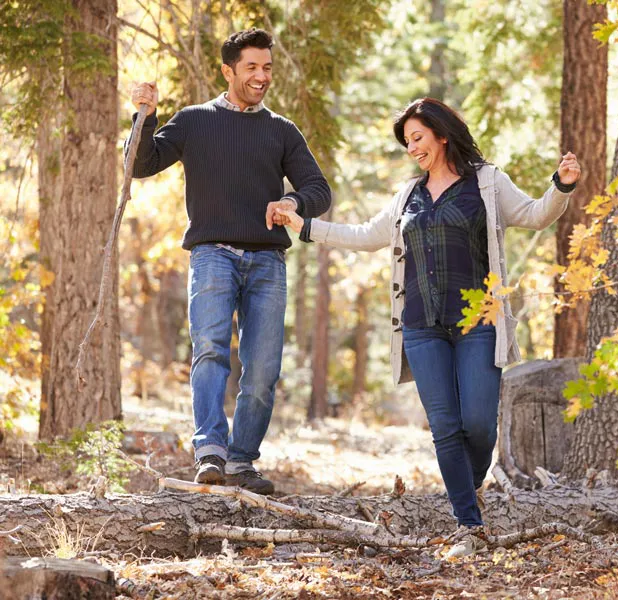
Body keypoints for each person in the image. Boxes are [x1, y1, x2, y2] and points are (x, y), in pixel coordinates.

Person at [275, 98, 580, 553]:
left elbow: (536, 215)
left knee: (477, 424)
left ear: (441, 134)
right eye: (406, 142)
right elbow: (362, 236)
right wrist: (306, 226)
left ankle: (467, 481)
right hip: (420, 326)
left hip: (477, 321)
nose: (412, 148)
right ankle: (469, 526)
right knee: (444, 426)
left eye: (417, 137)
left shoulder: (487, 183)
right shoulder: (407, 197)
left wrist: (562, 185)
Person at [127, 28, 331, 495]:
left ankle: (241, 461)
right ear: (228, 71)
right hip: (212, 253)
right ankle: (210, 453)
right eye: (252, 68)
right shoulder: (195, 120)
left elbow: (320, 189)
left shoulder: (281, 130)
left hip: (267, 263)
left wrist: (293, 201)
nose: (262, 77)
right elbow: (141, 163)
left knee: (262, 369)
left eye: (267, 68)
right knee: (212, 351)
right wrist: (145, 116)